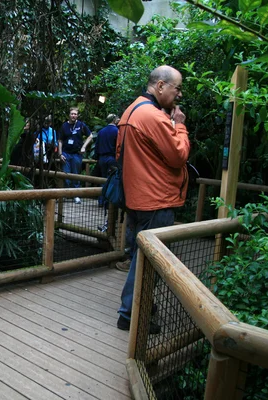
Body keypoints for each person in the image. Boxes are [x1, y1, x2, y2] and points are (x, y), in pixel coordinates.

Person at [116, 65, 190, 332]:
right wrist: (179, 126)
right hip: (156, 199)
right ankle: (131, 313)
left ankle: (137, 306)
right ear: (160, 86)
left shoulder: (132, 110)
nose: (179, 94)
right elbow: (179, 155)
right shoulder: (153, 116)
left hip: (137, 197)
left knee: (140, 256)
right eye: (177, 88)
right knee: (148, 261)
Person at [58, 107, 91, 204]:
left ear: (77, 115)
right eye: (72, 114)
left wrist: (84, 147)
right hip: (66, 153)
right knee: (66, 174)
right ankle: (67, 194)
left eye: (75, 114)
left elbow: (90, 136)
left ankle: (76, 194)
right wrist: (60, 154)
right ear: (69, 114)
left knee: (76, 174)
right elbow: (60, 141)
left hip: (76, 154)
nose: (73, 115)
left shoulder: (81, 125)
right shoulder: (64, 126)